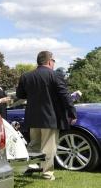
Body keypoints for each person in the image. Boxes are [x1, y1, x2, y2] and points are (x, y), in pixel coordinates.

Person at [16, 51, 77, 181]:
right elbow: (65, 96)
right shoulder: (55, 75)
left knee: (34, 144)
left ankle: (29, 167)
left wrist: (34, 95)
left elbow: (20, 95)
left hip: (33, 117)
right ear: (50, 61)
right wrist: (72, 113)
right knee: (48, 147)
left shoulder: (26, 76)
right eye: (54, 61)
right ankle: (47, 173)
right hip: (51, 117)